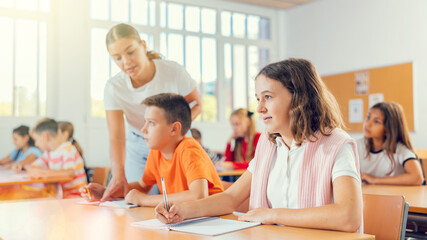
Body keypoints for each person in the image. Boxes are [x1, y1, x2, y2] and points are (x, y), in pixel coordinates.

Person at [155, 58, 362, 233]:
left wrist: (272, 214)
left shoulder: (336, 143)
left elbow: (348, 217)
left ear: (300, 98)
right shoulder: (268, 144)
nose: (260, 108)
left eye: (268, 97)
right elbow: (230, 198)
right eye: (258, 98)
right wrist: (183, 211)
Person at [102, 23, 201, 200]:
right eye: (117, 58)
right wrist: (118, 174)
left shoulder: (172, 71)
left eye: (130, 52)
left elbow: (196, 104)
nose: (126, 62)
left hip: (175, 140)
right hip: (138, 143)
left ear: (143, 46)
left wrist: (172, 134)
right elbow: (116, 136)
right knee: (136, 200)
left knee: (180, 196)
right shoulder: (113, 87)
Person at [80, 93, 223, 206]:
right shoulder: (157, 152)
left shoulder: (190, 150)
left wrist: (144, 200)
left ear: (174, 129)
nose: (143, 129)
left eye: (151, 123)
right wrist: (108, 192)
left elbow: (198, 195)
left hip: (214, 221)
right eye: (145, 122)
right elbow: (142, 186)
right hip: (186, 220)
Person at [358, 102, 424, 186]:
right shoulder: (356, 145)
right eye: (368, 117)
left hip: (394, 197)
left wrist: (374, 180)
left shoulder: (399, 149)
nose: (367, 124)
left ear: (388, 129)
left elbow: (417, 178)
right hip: (368, 196)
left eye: (377, 121)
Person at [27, 119, 88, 198]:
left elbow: (70, 173)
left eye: (36, 140)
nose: (36, 144)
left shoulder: (67, 149)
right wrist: (39, 171)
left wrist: (44, 173)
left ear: (45, 136)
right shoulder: (49, 153)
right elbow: (34, 167)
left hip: (75, 197)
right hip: (61, 196)